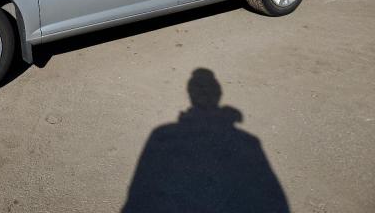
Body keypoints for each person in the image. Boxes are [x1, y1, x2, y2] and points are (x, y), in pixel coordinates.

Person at [123, 68, 289, 212]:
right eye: (199, 87)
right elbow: (272, 196)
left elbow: (139, 190)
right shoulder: (248, 142)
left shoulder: (163, 134)